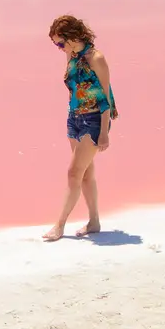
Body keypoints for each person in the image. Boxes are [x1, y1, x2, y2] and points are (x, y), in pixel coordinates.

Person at [43, 14, 118, 242]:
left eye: (60, 42)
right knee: (86, 173)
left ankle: (59, 225)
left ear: (72, 36)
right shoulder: (71, 54)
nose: (58, 48)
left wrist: (104, 132)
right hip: (74, 119)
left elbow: (105, 98)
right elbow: (72, 87)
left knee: (73, 173)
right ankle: (94, 221)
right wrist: (72, 114)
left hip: (94, 121)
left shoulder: (97, 58)